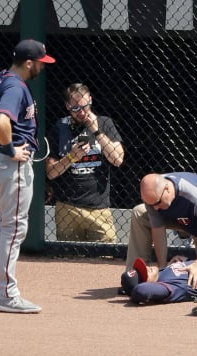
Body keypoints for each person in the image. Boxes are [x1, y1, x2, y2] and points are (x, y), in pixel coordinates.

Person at [0, 39, 55, 313]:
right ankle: (8, 295)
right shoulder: (16, 86)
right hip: (11, 162)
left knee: (6, 225)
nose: (43, 65)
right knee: (15, 228)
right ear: (29, 63)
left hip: (1, 159)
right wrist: (9, 147)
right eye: (41, 61)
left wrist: (1, 142)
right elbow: (0, 120)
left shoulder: (2, 77)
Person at [46, 83, 124, 242]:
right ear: (67, 106)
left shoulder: (104, 123)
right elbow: (51, 173)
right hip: (68, 208)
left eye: (85, 106)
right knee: (67, 258)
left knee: (106, 256)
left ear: (90, 100)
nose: (82, 112)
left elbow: (117, 159)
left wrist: (96, 131)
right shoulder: (60, 127)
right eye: (76, 109)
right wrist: (71, 157)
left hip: (99, 208)